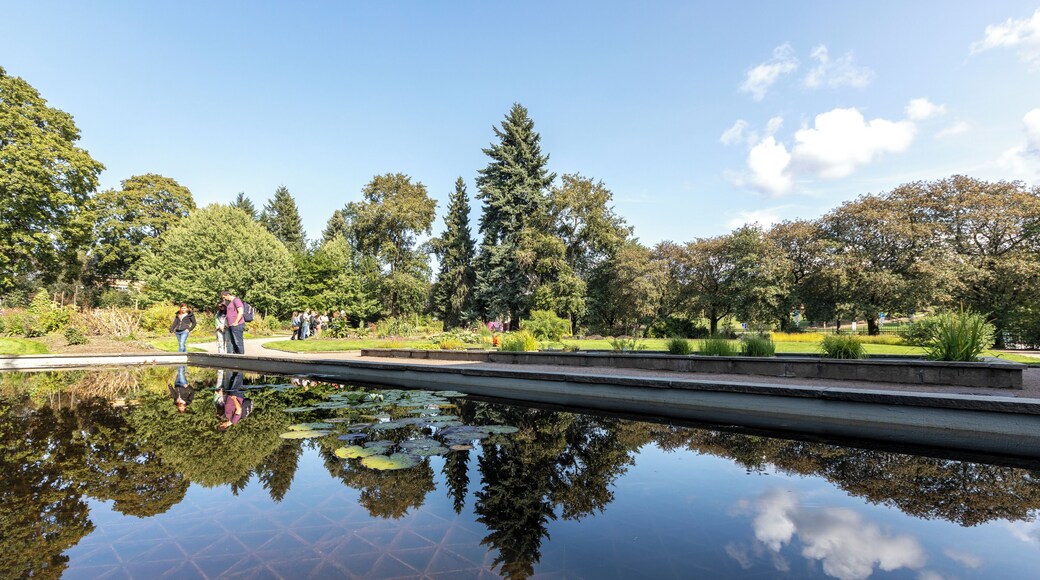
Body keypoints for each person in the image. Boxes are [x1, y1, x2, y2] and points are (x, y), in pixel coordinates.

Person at [221, 290, 246, 354]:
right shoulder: (230, 302)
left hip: (237, 325)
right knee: (233, 343)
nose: (224, 299)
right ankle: (236, 359)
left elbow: (241, 312)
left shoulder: (236, 300)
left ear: (228, 295)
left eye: (224, 297)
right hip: (231, 325)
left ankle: (241, 359)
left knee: (238, 343)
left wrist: (236, 322)